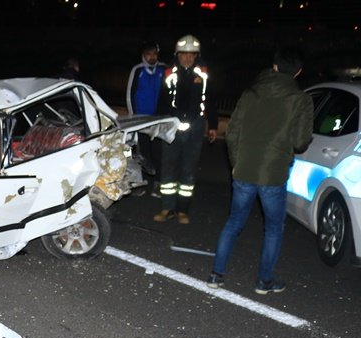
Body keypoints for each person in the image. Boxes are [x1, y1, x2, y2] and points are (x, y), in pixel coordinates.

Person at [206, 47, 313, 294]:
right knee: (274, 228)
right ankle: (264, 281)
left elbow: (232, 133)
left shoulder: (250, 94)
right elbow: (300, 142)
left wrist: (237, 163)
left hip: (244, 169)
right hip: (273, 173)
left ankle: (216, 275)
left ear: (274, 66)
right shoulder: (301, 100)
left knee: (234, 222)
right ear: (297, 72)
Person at [153, 34, 218, 224]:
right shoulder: (169, 73)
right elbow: (162, 100)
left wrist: (212, 125)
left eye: (191, 54)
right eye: (183, 54)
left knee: (188, 169)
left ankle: (182, 210)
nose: (187, 58)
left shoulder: (204, 74)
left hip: (196, 126)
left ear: (196, 55)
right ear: (177, 54)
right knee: (168, 167)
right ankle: (167, 207)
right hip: (172, 125)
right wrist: (159, 123)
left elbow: (211, 101)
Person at [126, 41, 167, 184]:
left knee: (158, 149)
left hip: (158, 118)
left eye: (155, 54)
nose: (152, 57)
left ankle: (157, 179)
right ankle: (142, 179)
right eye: (149, 54)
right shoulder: (137, 70)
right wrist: (133, 117)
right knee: (142, 150)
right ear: (143, 55)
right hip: (141, 118)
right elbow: (130, 93)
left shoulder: (164, 69)